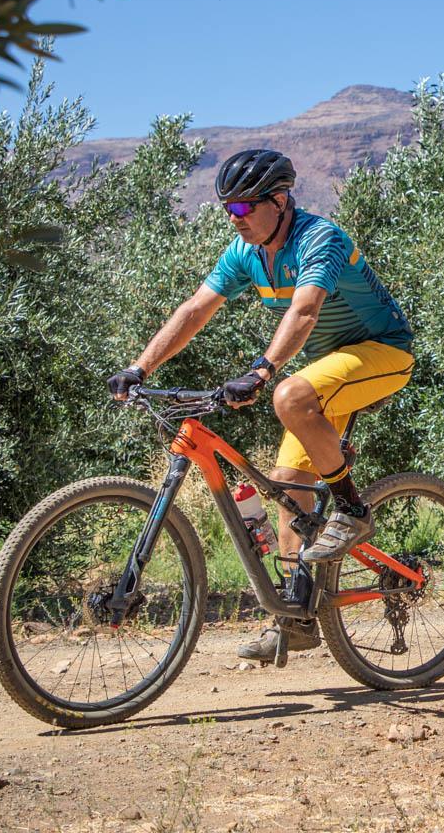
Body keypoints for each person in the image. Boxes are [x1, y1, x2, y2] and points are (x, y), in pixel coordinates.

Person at [106, 148, 414, 662]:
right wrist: (141, 368)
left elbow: (306, 310)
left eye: (244, 207)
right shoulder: (244, 253)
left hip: (383, 352)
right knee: (289, 486)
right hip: (329, 371)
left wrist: (263, 370)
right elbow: (195, 309)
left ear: (279, 201)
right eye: (228, 208)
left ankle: (354, 511)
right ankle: (296, 618)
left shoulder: (320, 238)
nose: (235, 218)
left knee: (288, 394)